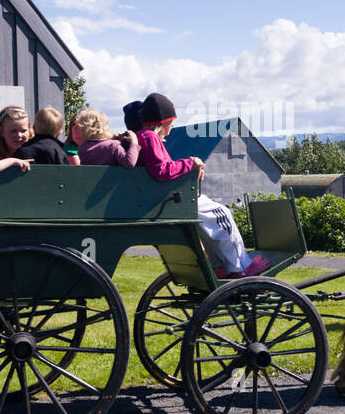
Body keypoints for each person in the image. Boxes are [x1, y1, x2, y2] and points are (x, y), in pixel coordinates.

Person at [137, 92, 269, 278]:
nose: (173, 125)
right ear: (163, 121)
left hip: (169, 196)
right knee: (222, 214)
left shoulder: (145, 137)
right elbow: (161, 170)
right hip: (172, 199)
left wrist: (188, 166)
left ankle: (219, 267)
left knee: (207, 225)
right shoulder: (150, 138)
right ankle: (241, 267)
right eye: (172, 121)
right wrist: (189, 163)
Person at [72, 108, 139, 167]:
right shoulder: (113, 145)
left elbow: (99, 146)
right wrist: (134, 142)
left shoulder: (82, 148)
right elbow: (129, 163)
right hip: (112, 181)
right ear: (104, 126)